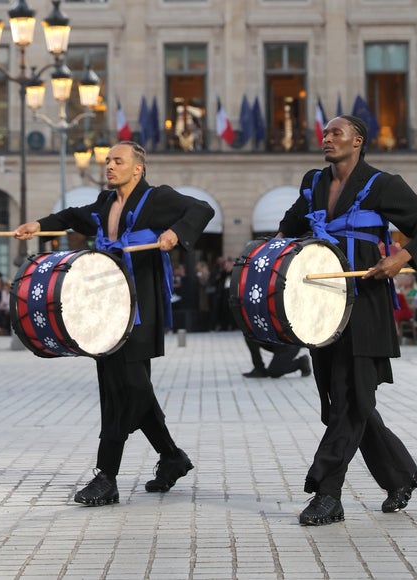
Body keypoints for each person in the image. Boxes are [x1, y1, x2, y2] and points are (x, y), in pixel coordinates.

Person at [15, 141, 215, 505]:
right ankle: (171, 457)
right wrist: (39, 225)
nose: (109, 166)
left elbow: (201, 209)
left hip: (141, 307)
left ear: (137, 168)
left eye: (117, 161)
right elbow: (73, 216)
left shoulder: (157, 198)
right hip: (107, 307)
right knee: (124, 385)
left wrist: (175, 233)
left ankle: (106, 475)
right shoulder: (106, 203)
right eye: (107, 160)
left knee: (126, 388)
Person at [276, 115, 417, 526]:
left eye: (336, 133)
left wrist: (401, 258)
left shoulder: (382, 184)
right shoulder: (313, 183)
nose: (326, 138)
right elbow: (288, 228)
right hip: (322, 308)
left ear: (358, 141)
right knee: (342, 401)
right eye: (325, 133)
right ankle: (400, 475)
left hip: (365, 306)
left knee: (350, 399)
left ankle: (327, 493)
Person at [242, 337, 311, 378]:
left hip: (288, 343)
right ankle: (259, 369)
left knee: (274, 372)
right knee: (249, 335)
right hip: (274, 342)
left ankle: (301, 362)